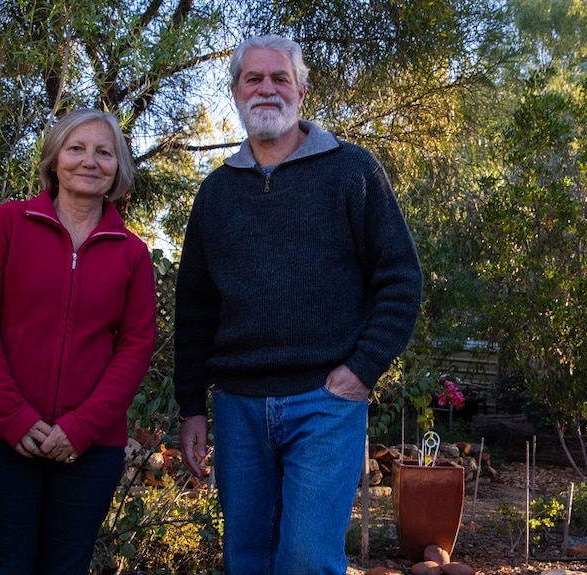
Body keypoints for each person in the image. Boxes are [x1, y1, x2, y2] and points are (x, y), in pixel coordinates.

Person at [174, 35, 423, 574]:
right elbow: (194, 308)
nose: (267, 89)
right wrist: (192, 405)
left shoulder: (352, 171)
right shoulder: (216, 193)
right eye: (253, 79)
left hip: (325, 403)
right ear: (236, 93)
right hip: (238, 406)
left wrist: (360, 371)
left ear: (302, 90)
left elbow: (401, 279)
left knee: (308, 559)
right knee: (247, 559)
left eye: (279, 78)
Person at [0, 108, 157, 574]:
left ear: (118, 168)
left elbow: (135, 346)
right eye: (76, 148)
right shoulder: (7, 223)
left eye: (104, 153)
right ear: (54, 160)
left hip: (89, 448)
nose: (90, 161)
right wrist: (14, 416)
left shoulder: (132, 253)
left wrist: (81, 428)